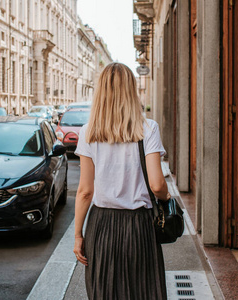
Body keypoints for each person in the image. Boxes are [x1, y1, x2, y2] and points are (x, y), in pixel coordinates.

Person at [73, 62, 171, 300]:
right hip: (139, 226)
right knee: (144, 291)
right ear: (131, 90)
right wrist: (166, 196)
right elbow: (157, 184)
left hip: (101, 225)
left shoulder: (88, 132)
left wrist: (78, 235)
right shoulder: (148, 128)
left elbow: (85, 191)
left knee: (105, 291)